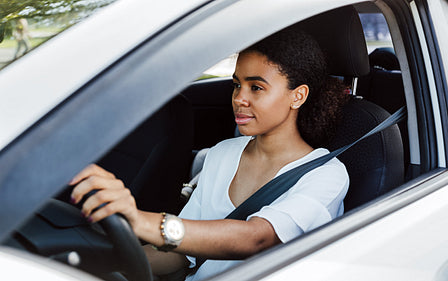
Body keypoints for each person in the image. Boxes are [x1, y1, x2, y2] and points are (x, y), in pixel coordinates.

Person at [70, 28, 350, 281]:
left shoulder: (326, 174)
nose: (239, 98)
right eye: (236, 84)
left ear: (297, 96)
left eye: (256, 87)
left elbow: (257, 240)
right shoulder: (222, 154)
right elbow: (181, 254)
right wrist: (99, 265)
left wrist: (140, 220)